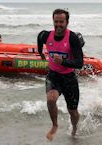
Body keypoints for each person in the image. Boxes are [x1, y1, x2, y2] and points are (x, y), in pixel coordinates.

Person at [37, 9, 83, 141]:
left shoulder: (72, 38)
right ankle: (55, 125)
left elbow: (79, 63)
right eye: (56, 21)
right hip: (53, 75)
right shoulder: (46, 35)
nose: (58, 25)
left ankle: (74, 129)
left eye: (61, 22)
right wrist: (41, 53)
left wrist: (63, 61)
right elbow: (39, 39)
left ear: (67, 22)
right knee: (51, 100)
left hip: (69, 78)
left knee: (73, 111)